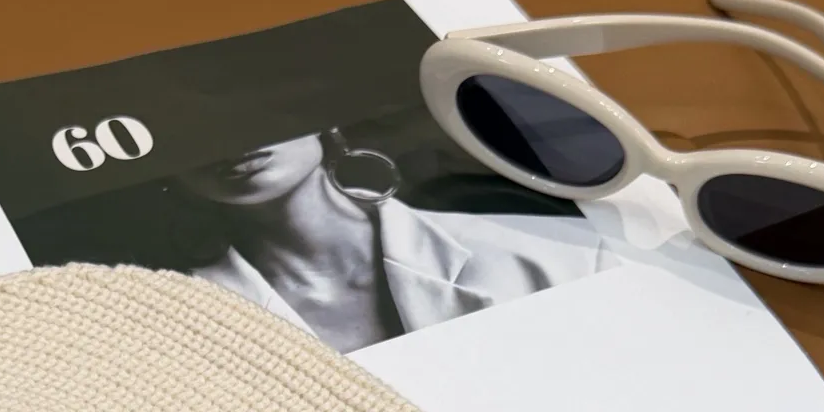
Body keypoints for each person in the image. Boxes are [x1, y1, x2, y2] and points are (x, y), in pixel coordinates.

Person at [174, 131, 615, 353]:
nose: (228, 142)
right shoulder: (177, 329)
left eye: (245, 112)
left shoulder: (563, 255)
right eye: (188, 129)